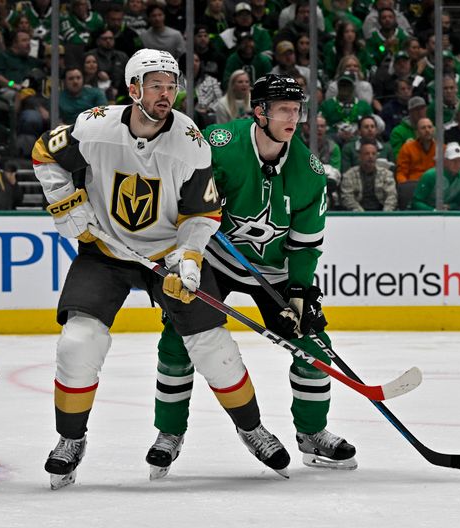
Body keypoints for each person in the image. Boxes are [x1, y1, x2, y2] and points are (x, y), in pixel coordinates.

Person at [32, 49, 289, 490]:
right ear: (133, 89)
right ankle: (70, 440)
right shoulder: (95, 126)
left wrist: (188, 261)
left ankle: (252, 429)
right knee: (79, 342)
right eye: (155, 85)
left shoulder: (190, 142)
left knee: (212, 345)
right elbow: (44, 152)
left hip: (167, 254)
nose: (165, 94)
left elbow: (203, 214)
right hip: (105, 251)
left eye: (171, 86)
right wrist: (65, 202)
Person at [146, 74, 356, 480]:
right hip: (213, 258)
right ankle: (168, 433)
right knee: (178, 337)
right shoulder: (219, 144)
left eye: (297, 110)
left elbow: (306, 244)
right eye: (284, 110)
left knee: (313, 344)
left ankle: (312, 434)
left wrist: (298, 291)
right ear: (259, 112)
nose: (293, 118)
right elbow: (175, 182)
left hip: (273, 271)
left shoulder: (310, 173)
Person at [411, 142, 460, 211]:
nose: (457, 164)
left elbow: (459, 201)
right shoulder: (430, 176)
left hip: (448, 212)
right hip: (427, 213)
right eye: (453, 161)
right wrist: (433, 211)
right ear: (445, 161)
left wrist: (449, 206)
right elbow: (416, 202)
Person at [340, 140, 397, 211]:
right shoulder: (349, 175)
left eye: (373, 154)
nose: (370, 157)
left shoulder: (386, 174)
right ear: (360, 156)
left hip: (381, 212)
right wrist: (362, 215)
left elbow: (391, 196)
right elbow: (347, 197)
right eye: (367, 154)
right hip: (357, 214)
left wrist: (385, 214)